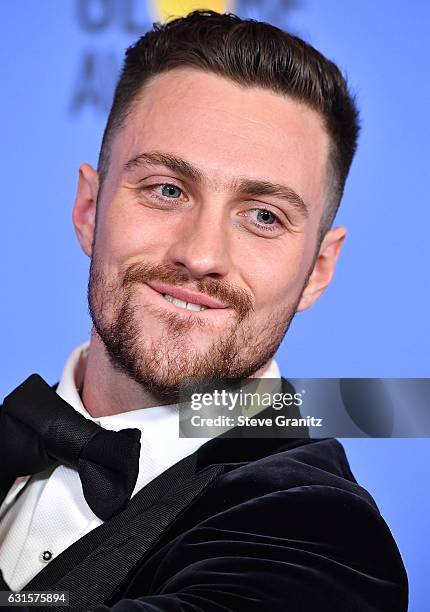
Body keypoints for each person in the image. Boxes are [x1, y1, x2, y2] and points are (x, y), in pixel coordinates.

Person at [0, 10, 408, 611]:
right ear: (89, 207)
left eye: (263, 216)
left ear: (318, 270)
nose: (201, 254)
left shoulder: (322, 538)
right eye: (167, 189)